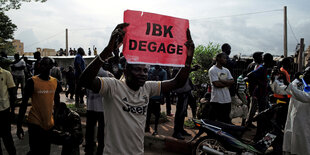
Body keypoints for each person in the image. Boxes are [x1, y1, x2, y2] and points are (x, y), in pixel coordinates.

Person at [79, 23, 195, 154]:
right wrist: (107, 50)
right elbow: (84, 81)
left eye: (145, 70)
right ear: (126, 70)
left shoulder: (147, 88)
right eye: (138, 69)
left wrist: (189, 58)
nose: (143, 74)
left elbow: (177, 82)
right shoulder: (113, 87)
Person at [17, 57, 62, 155]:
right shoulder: (32, 81)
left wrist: (56, 119)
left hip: (49, 124)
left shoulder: (55, 82)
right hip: (35, 122)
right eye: (41, 64)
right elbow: (24, 104)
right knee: (36, 150)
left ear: (51, 66)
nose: (43, 67)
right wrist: (19, 124)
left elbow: (57, 103)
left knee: (46, 151)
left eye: (46, 64)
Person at [270, 68, 310, 155]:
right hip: (294, 121)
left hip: (305, 123)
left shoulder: (301, 87)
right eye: (305, 72)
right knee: (293, 145)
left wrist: (288, 84)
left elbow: (305, 97)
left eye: (308, 72)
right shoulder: (298, 84)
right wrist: (274, 79)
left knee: (304, 147)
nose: (305, 74)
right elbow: (280, 90)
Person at [84, 68, 112, 155]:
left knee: (90, 128)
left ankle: (89, 147)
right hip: (101, 107)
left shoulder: (88, 73)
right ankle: (100, 149)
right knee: (101, 129)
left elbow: (86, 90)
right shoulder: (106, 74)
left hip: (90, 106)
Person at [246, 53, 274, 141]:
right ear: (268, 61)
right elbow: (249, 76)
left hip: (263, 94)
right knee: (262, 115)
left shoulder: (264, 68)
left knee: (265, 114)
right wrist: (259, 83)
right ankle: (258, 135)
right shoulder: (261, 68)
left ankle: (261, 133)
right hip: (261, 95)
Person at [208, 52, 234, 124]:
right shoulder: (212, 70)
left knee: (225, 120)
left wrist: (222, 81)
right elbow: (216, 84)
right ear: (218, 59)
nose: (226, 60)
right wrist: (227, 83)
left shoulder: (226, 70)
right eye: (224, 58)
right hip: (217, 100)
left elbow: (232, 81)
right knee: (215, 121)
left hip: (227, 99)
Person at [145, 65, 167, 136]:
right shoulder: (150, 70)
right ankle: (147, 127)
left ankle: (156, 129)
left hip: (157, 96)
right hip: (150, 95)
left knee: (157, 114)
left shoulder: (163, 72)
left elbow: (165, 84)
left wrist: (163, 97)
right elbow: (146, 80)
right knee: (148, 113)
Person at [0, 67, 16, 155]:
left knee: (7, 137)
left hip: (4, 110)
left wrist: (12, 111)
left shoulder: (6, 74)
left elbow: (12, 94)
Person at [245, 51, 263, 127]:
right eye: (260, 56)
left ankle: (248, 122)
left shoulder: (251, 65)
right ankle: (247, 123)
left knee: (252, 106)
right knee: (253, 106)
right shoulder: (255, 66)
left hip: (251, 88)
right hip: (254, 88)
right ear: (257, 57)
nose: (262, 58)